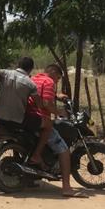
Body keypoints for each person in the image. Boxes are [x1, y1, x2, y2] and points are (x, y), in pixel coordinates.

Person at [28, 64, 83, 198]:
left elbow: (41, 93)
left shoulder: (35, 79)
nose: (57, 81)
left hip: (27, 117)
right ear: (52, 72)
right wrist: (60, 112)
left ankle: (30, 178)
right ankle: (66, 188)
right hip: (39, 118)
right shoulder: (49, 81)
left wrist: (57, 96)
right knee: (63, 150)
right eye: (58, 78)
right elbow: (46, 104)